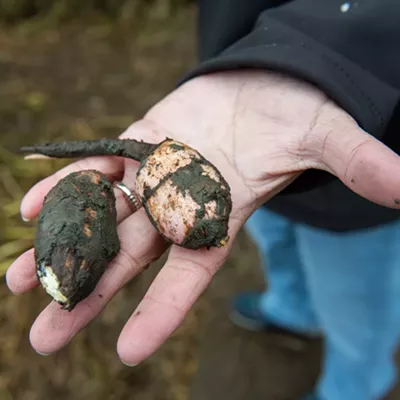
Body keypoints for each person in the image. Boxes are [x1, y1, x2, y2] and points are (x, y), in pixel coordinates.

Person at [5, 1, 400, 399]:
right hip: (248, 128)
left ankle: (355, 387)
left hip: (355, 188)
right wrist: (251, 55)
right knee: (276, 244)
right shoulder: (171, 176)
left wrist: (320, 53)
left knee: (356, 310)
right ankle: (292, 311)